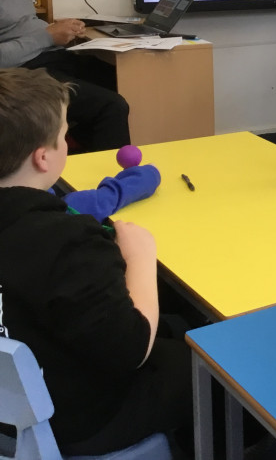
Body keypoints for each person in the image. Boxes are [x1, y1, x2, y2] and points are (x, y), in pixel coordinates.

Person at [0, 68, 190, 454]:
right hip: (72, 419)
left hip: (16, 401)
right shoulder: (64, 240)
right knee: (211, 364)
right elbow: (132, 349)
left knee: (177, 326)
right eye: (63, 136)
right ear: (43, 158)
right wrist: (140, 256)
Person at [0, 0, 130, 152]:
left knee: (126, 78)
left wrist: (57, 30)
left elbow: (18, 26)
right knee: (112, 105)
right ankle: (110, 186)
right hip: (21, 74)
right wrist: (47, 37)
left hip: (46, 59)